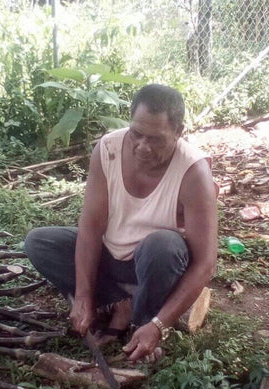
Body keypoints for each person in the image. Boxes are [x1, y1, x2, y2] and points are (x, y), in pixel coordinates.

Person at [24, 84, 218, 362]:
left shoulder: (193, 172)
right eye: (136, 134)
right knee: (40, 242)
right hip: (111, 258)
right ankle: (120, 302)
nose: (142, 146)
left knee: (163, 246)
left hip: (155, 266)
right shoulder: (108, 150)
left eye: (156, 139)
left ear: (179, 132)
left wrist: (158, 325)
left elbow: (205, 264)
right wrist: (83, 296)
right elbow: (91, 227)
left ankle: (142, 322)